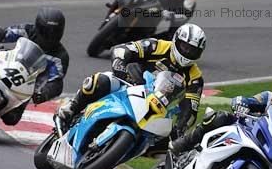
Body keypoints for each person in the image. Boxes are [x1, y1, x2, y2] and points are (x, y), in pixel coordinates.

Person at [58, 23, 206, 142]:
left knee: (169, 144)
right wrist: (119, 65)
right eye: (185, 47)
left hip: (157, 109)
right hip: (130, 85)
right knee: (99, 81)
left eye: (192, 51)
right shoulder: (158, 46)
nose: (187, 53)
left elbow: (191, 110)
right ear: (176, 41)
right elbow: (121, 50)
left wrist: (180, 127)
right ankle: (72, 108)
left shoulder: (195, 77)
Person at [170, 77, 272, 169]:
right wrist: (241, 103)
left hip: (267, 151)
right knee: (220, 117)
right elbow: (247, 100)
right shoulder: (271, 98)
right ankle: (185, 143)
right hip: (245, 129)